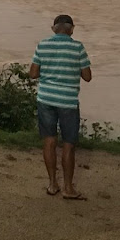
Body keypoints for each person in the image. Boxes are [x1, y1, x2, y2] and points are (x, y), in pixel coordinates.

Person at [29, 14, 92, 200]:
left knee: (49, 141)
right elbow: (87, 76)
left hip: (46, 99)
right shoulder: (77, 47)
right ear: (72, 29)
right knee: (68, 144)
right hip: (68, 101)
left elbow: (33, 74)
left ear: (53, 28)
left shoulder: (42, 45)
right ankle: (68, 188)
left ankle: (52, 184)